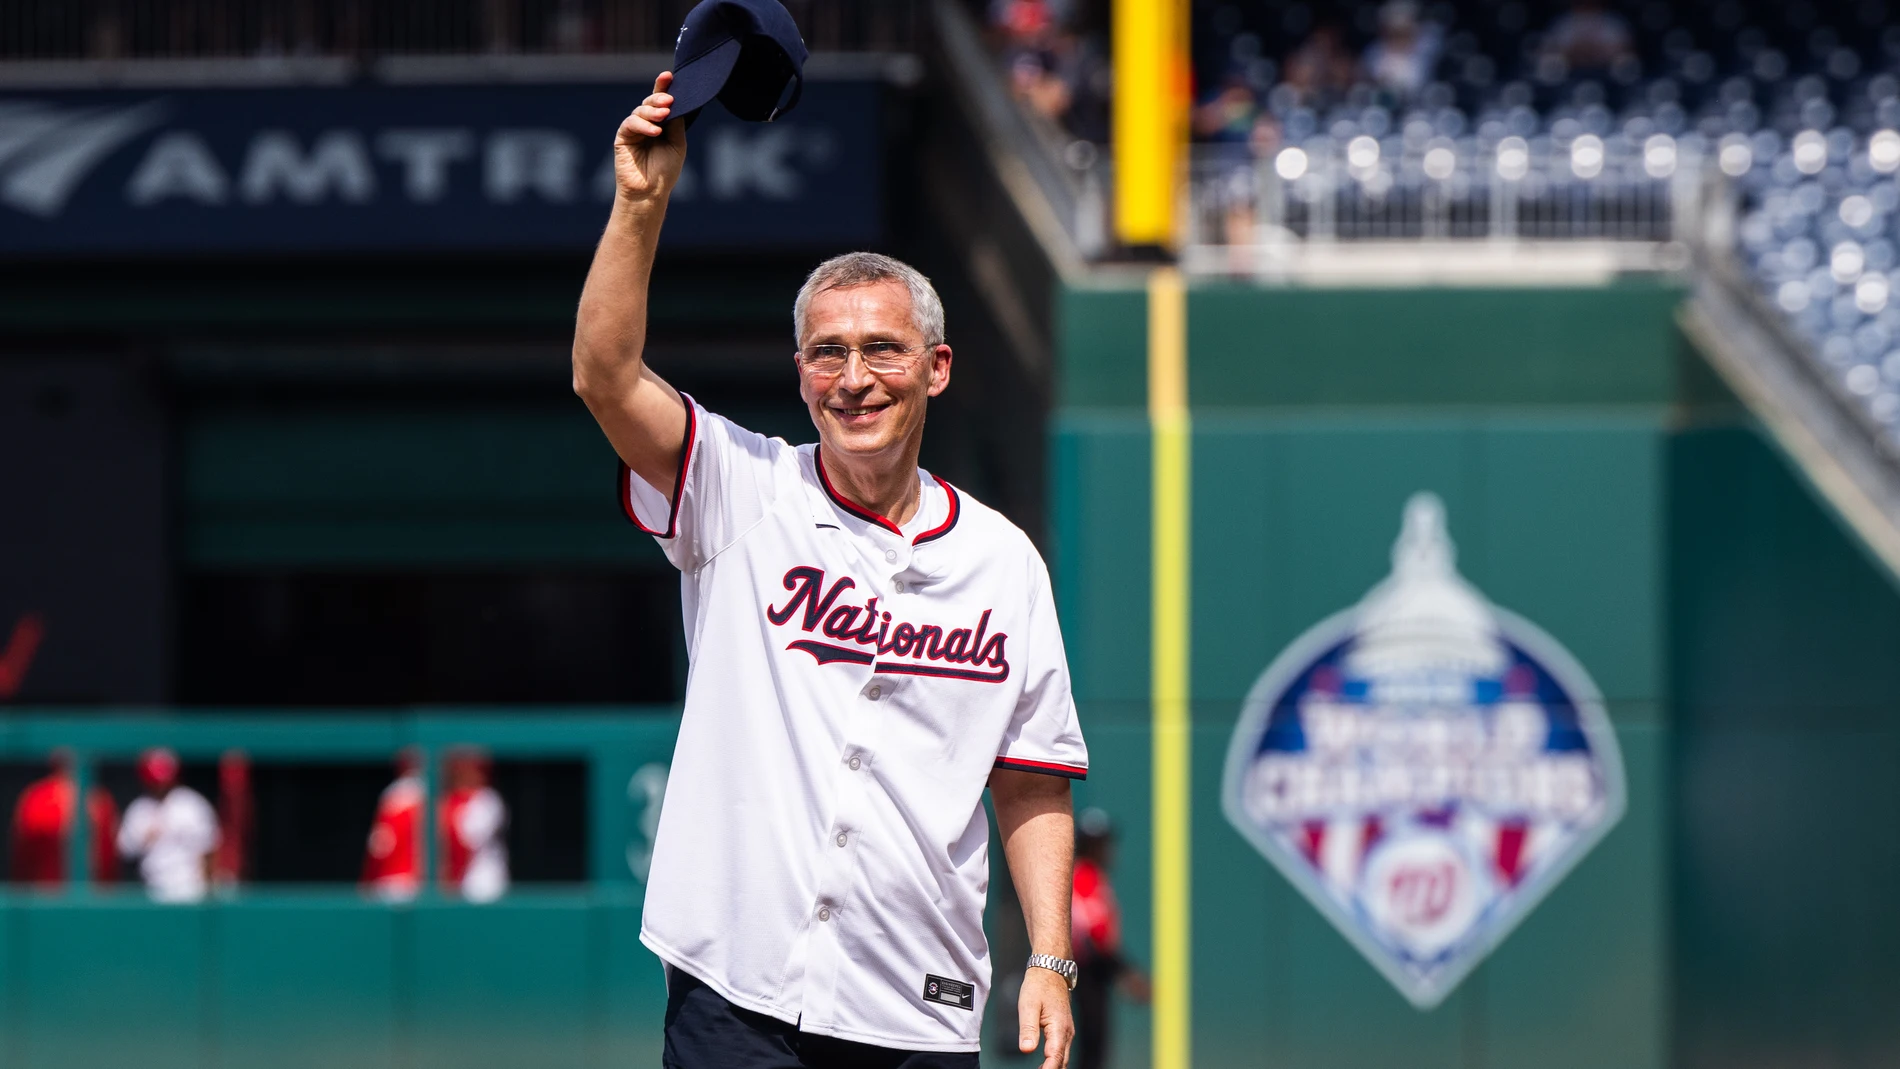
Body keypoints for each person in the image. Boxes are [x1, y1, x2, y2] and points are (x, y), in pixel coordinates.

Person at [574, 72, 1090, 1069]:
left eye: (882, 351)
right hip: (740, 983)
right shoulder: (740, 486)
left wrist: (1051, 957)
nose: (854, 379)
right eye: (827, 353)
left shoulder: (1001, 561)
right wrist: (640, 203)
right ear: (800, 371)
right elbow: (603, 375)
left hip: (917, 999)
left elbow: (1030, 780)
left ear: (936, 368)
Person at [1068, 809, 1149, 1069]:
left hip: (1094, 974)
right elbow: (1093, 939)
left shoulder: (1093, 876)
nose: (1106, 849)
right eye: (1098, 843)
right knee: (1090, 1051)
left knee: (1094, 1050)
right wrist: (1125, 971)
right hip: (1083, 975)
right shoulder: (1083, 876)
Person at [117, 748, 219, 903]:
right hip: (151, 891)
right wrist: (145, 837)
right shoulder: (139, 809)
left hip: (190, 892)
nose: (160, 786)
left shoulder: (191, 804)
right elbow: (124, 848)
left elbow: (208, 849)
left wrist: (207, 891)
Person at [9, 750, 118, 887]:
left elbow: (20, 864)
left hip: (45, 898)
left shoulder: (35, 798)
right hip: (77, 899)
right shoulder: (100, 800)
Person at [438, 748, 508, 903]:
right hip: (454, 889)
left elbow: (466, 841)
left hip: (482, 886)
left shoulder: (487, 800)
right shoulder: (447, 800)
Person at [362, 749, 423, 901]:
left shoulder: (395, 794)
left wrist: (366, 881)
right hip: (423, 886)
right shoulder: (436, 791)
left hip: (394, 884)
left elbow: (381, 846)